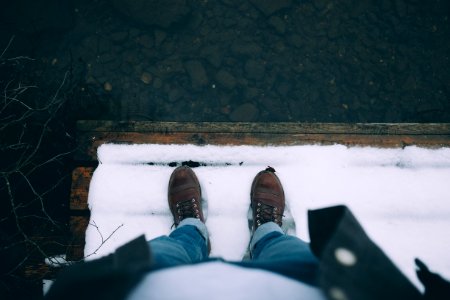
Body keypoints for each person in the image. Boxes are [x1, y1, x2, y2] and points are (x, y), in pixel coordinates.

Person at [46, 167, 450, 300]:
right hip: (303, 287)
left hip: (159, 290)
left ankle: (192, 231)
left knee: (168, 252)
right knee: (290, 252)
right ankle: (266, 231)